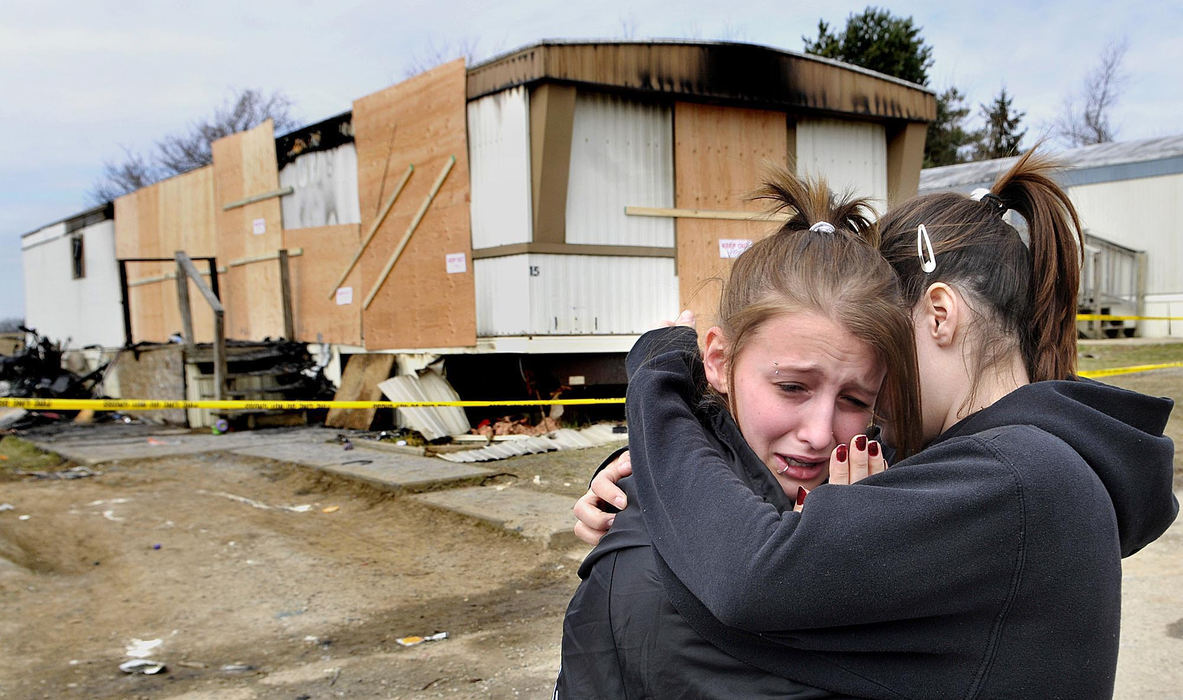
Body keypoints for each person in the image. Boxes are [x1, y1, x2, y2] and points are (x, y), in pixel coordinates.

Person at [573, 150, 1179, 698]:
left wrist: (660, 381)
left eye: (885, 335)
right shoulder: (1009, 463)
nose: (877, 378)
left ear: (939, 314)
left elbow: (746, 580)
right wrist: (651, 472)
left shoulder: (1015, 479)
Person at [555, 172, 924, 697]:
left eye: (854, 400)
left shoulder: (895, 488)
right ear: (720, 362)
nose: (820, 435)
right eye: (793, 387)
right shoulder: (649, 570)